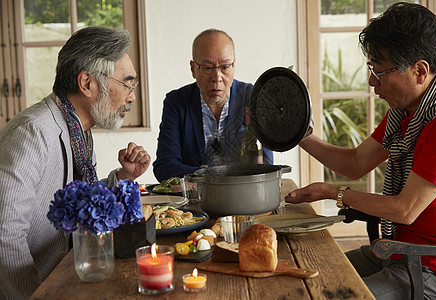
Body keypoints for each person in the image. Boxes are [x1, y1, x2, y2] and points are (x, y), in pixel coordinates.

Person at [285, 3, 436, 299]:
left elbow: (405, 209)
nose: (373, 82)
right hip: (397, 251)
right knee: (305, 275)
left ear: (420, 71)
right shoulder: (406, 112)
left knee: (321, 295)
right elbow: (355, 162)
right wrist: (297, 133)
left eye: (379, 70)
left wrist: (331, 191)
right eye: (371, 68)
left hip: (434, 266)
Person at [0, 27, 151, 300]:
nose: (132, 97)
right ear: (87, 83)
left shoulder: (78, 130)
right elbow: (4, 234)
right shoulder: (32, 132)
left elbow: (81, 204)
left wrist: (124, 177)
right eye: (127, 84)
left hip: (69, 278)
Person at [153, 29, 273, 182]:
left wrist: (203, 174)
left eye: (225, 67)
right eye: (208, 68)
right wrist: (214, 174)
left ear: (233, 66)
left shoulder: (253, 98)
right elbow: (165, 167)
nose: (217, 78)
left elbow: (266, 165)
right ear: (193, 69)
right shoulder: (177, 102)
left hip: (246, 199)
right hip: (194, 202)